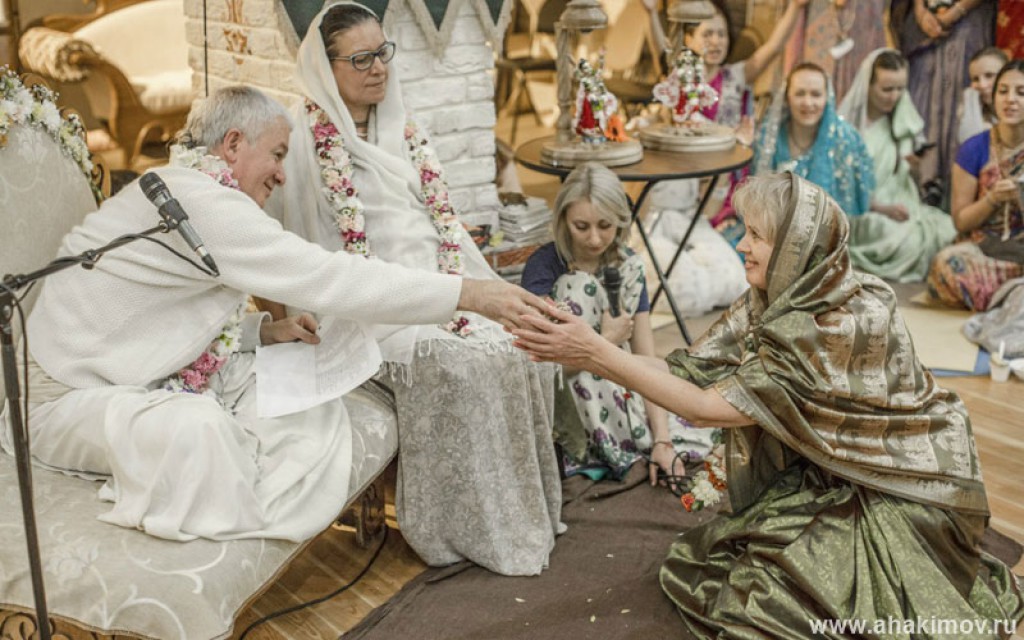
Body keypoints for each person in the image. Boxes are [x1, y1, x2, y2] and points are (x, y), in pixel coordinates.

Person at [0, 85, 549, 543]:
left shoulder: (185, 188)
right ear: (233, 144)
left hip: (122, 371)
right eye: (279, 154)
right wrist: (469, 294)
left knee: (291, 402)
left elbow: (156, 313)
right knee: (200, 431)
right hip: (62, 398)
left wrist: (262, 330)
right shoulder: (200, 203)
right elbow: (329, 277)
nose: (283, 175)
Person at [510, 172, 1024, 638]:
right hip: (833, 466)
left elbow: (707, 408)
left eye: (755, 235)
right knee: (732, 557)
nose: (740, 244)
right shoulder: (783, 293)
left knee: (770, 598)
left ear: (796, 247)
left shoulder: (832, 324)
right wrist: (595, 348)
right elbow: (687, 370)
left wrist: (595, 353)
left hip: (901, 482)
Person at [264, 1, 562, 576]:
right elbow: (283, 250)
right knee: (458, 365)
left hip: (440, 282)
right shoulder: (299, 142)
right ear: (325, 67)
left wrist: (467, 288)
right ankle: (458, 528)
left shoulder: (404, 126)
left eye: (383, 52)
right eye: (361, 59)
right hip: (366, 309)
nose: (379, 68)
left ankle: (520, 514)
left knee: (523, 343)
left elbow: (438, 226)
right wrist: (284, 324)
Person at [520, 163, 716, 489]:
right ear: (563, 220)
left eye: (605, 225)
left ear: (620, 221)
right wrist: (606, 341)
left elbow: (646, 363)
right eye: (581, 226)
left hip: (620, 385)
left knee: (692, 407)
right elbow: (538, 371)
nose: (594, 238)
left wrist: (662, 440)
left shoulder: (629, 267)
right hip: (566, 396)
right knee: (577, 286)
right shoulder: (544, 266)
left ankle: (637, 439)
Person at [837, 48, 956, 281]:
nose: (894, 96)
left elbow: (910, 179)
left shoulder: (903, 119)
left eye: (901, 89)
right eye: (887, 89)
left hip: (903, 203)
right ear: (868, 85)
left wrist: (915, 166)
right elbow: (842, 188)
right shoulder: (848, 129)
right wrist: (882, 208)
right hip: (864, 211)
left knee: (949, 229)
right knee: (905, 240)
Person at [735, 62, 873, 245]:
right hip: (774, 235)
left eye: (816, 94)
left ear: (827, 98)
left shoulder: (846, 139)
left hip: (829, 240)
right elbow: (753, 193)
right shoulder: (767, 138)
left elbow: (858, 199)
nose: (808, 103)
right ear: (787, 97)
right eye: (800, 93)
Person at [928, 60, 1024, 311]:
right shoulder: (974, 148)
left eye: (1021, 92)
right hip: (985, 251)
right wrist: (993, 199)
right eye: (1003, 91)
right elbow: (961, 222)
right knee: (947, 266)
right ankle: (1010, 299)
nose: (1010, 100)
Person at [895, 0, 996, 201]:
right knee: (922, 97)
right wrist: (920, 11)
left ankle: (959, 193)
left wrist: (956, 11)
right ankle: (923, 183)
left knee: (966, 95)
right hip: (922, 30)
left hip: (971, 22)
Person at [959, 47, 1010, 144]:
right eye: (975, 79)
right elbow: (970, 146)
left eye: (989, 75)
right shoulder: (974, 111)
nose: (982, 85)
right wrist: (970, 104)